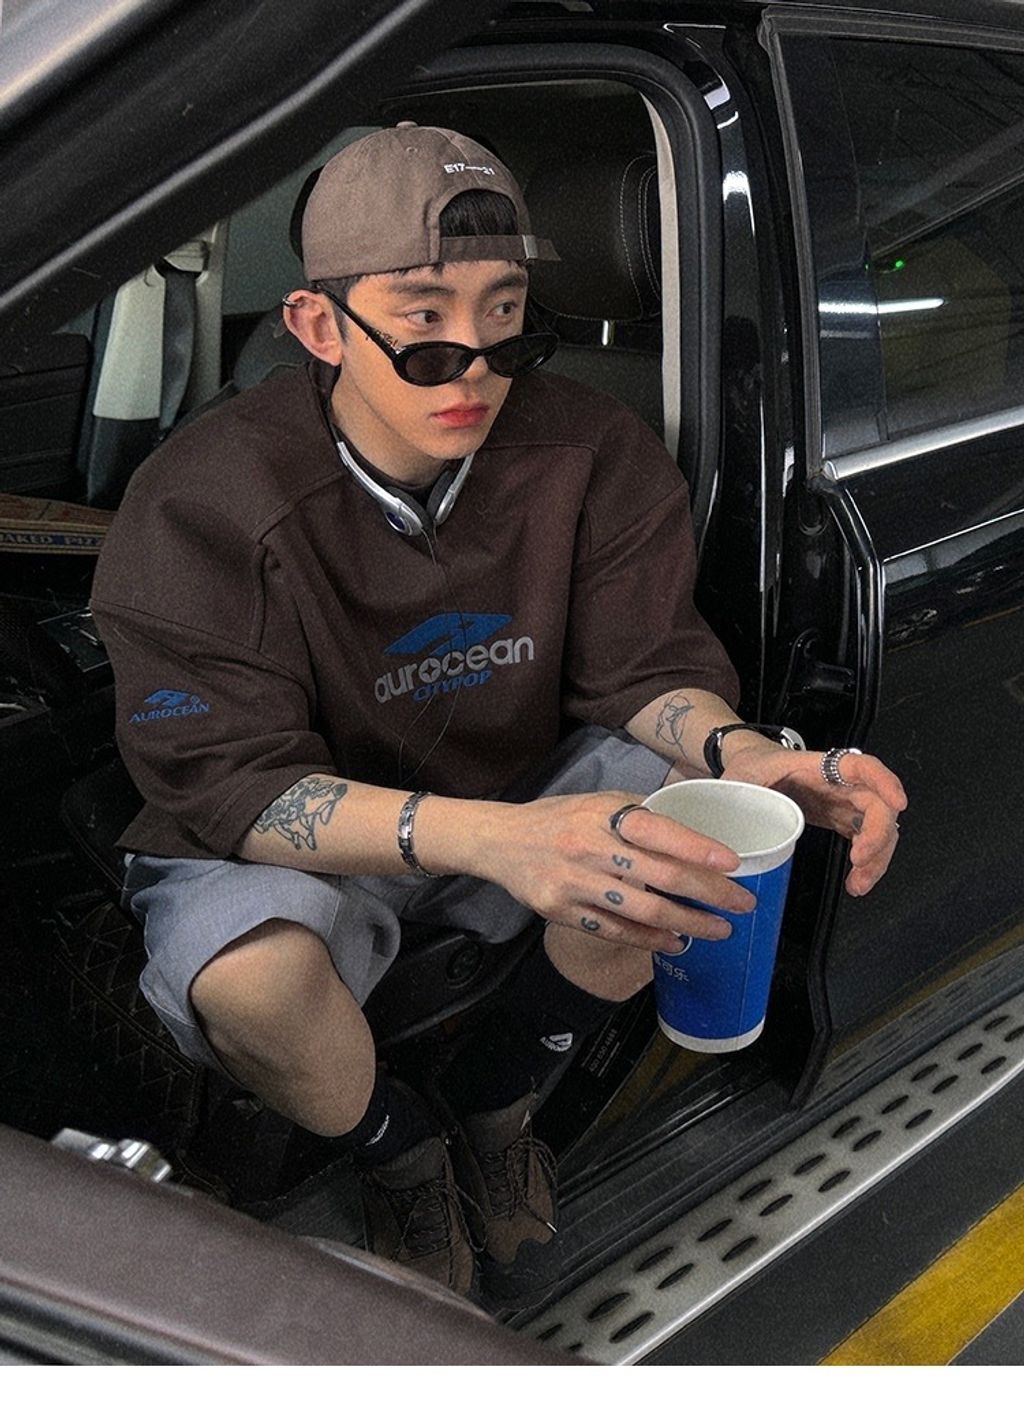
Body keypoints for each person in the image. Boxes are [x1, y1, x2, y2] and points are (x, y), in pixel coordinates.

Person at [90, 124, 907, 1306]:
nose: (472, 365)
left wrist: (741, 753)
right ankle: (395, 1149)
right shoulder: (204, 504)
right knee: (253, 980)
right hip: (301, 830)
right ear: (319, 325)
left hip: (512, 776)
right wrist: (497, 841)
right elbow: (231, 785)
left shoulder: (591, 451)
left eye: (506, 315)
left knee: (678, 834)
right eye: (423, 321)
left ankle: (496, 1102)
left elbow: (641, 671)